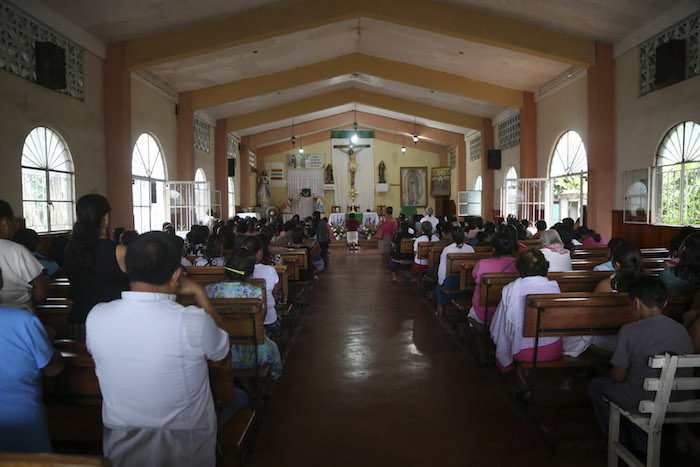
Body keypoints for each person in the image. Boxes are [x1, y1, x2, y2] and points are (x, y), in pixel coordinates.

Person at [86, 232, 234, 467]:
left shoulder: (97, 316)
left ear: (128, 271)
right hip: (189, 451)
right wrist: (198, 293)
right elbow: (222, 349)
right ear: (177, 275)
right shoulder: (193, 321)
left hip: (121, 452)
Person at [588, 277, 693, 455]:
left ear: (636, 303)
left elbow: (617, 376)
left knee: (597, 386)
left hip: (643, 403)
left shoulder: (630, 330)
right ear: (665, 302)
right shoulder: (681, 329)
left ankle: (619, 440)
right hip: (679, 400)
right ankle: (640, 440)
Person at [0, 267, 65, 453]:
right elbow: (53, 368)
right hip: (24, 426)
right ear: (0, 281)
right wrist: (49, 345)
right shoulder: (23, 322)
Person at [205, 248, 283, 379]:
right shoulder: (255, 292)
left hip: (218, 349)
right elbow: (261, 317)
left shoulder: (209, 290)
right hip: (252, 351)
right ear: (250, 272)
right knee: (273, 347)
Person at [63, 194, 129, 339]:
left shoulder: (69, 249)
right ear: (106, 218)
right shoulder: (120, 252)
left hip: (79, 322)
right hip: (114, 324)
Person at [490, 249, 563, 375]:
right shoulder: (554, 287)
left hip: (523, 350)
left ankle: (521, 380)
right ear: (544, 266)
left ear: (519, 267)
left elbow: (499, 325)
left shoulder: (511, 288)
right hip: (554, 348)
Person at [0, 200, 48, 313]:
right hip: (21, 318)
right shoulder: (17, 250)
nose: (15, 226)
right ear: (5, 222)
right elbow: (41, 293)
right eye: (13, 221)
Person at [469, 232, 517, 324]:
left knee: (471, 314)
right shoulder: (519, 265)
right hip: (510, 315)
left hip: (484, 314)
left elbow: (474, 276)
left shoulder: (483, 264)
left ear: (494, 249)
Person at [243, 236, 282, 337]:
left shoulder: (239, 272)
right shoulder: (269, 270)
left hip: (245, 321)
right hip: (268, 320)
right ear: (260, 252)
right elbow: (276, 291)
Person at [436, 226, 474, 315]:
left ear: (452, 237)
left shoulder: (447, 249)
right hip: (466, 282)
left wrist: (440, 282)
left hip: (451, 282)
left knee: (439, 286)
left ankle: (440, 307)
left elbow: (442, 270)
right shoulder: (470, 249)